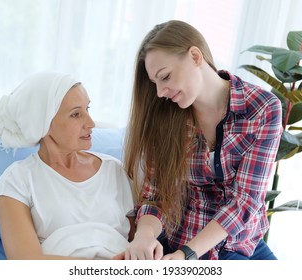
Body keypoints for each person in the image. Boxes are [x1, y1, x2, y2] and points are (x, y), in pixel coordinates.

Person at [121, 20, 282, 260]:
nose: (160, 93)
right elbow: (156, 196)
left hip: (239, 242)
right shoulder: (166, 115)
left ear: (195, 56)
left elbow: (246, 201)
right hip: (179, 242)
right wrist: (144, 237)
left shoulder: (262, 108)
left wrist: (187, 254)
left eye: (165, 77)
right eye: (155, 83)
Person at [0, 72, 134, 260]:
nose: (91, 123)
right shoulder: (16, 180)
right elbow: (25, 262)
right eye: (76, 114)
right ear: (44, 123)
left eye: (87, 109)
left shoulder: (114, 170)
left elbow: (139, 243)